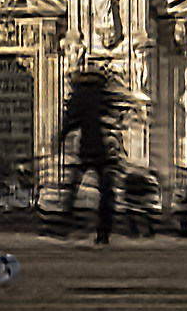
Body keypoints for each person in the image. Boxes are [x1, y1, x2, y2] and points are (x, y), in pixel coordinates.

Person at [53, 65, 121, 244]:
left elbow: (71, 119)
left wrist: (61, 137)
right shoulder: (102, 96)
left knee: (74, 187)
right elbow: (114, 115)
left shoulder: (80, 96)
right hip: (102, 150)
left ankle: (65, 223)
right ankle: (103, 232)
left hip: (86, 148)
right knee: (106, 192)